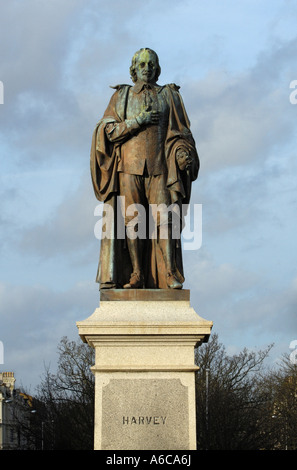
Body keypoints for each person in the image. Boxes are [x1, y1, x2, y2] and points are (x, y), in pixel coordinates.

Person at [90, 48, 199, 290]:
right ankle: (136, 272)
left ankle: (170, 272)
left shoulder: (169, 95)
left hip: (161, 168)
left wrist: (182, 153)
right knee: (132, 221)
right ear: (134, 69)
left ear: (157, 69)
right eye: (142, 64)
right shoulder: (122, 96)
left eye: (151, 64)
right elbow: (106, 131)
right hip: (128, 168)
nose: (147, 68)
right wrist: (136, 121)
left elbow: (181, 134)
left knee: (165, 220)